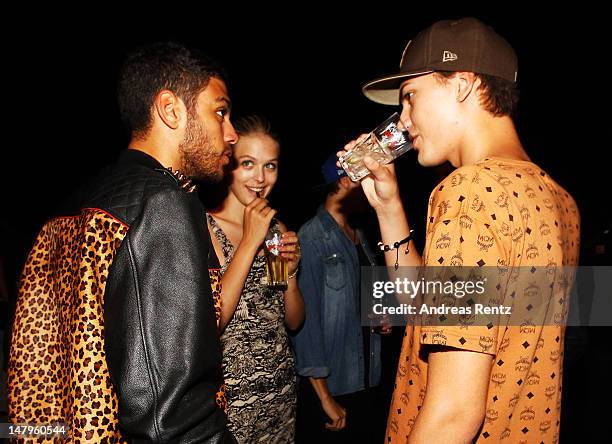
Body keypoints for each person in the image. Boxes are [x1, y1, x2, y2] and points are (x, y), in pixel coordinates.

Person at [340, 17, 580, 443]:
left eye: (411, 97)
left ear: (462, 84)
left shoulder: (470, 192)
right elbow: (429, 313)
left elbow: (454, 414)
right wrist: (388, 206)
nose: (404, 121)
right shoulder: (559, 199)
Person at [8, 42, 237, 442]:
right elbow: (170, 418)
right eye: (220, 111)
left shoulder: (75, 206)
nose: (231, 133)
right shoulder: (163, 202)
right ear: (171, 110)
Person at [206, 115, 304, 443]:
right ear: (228, 164)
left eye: (270, 166)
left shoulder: (278, 231)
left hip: (281, 391)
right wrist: (249, 241)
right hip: (231, 402)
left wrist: (289, 274)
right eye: (248, 163)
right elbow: (211, 320)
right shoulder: (204, 228)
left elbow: (291, 322)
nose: (260, 178)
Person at [292, 154, 391, 443]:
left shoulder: (360, 233)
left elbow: (368, 298)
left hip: (368, 376)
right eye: (366, 181)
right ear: (347, 181)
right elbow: (304, 327)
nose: (372, 189)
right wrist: (324, 397)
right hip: (334, 387)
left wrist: (381, 317)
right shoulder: (310, 237)